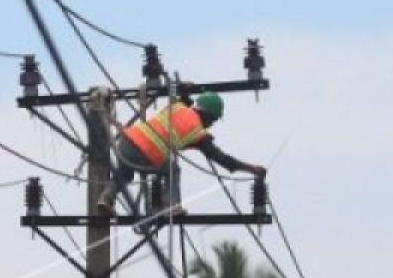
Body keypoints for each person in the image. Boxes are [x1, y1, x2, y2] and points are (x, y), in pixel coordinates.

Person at [96, 91, 266, 217]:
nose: (211, 125)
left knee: (125, 174)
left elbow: (183, 94)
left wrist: (186, 88)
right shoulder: (198, 132)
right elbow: (224, 160)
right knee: (172, 169)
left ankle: (106, 198)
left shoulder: (178, 107)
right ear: (207, 115)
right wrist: (252, 169)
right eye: (212, 120)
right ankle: (171, 206)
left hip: (126, 141)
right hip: (146, 152)